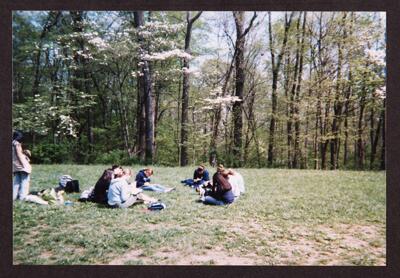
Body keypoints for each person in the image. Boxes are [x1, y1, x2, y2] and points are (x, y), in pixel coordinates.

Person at [12, 131, 32, 201]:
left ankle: (13, 197)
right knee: (25, 181)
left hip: (15, 166)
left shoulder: (12, 144)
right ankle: (23, 197)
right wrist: (24, 164)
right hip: (21, 166)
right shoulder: (17, 144)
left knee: (16, 182)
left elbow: (17, 154)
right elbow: (18, 154)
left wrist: (24, 152)